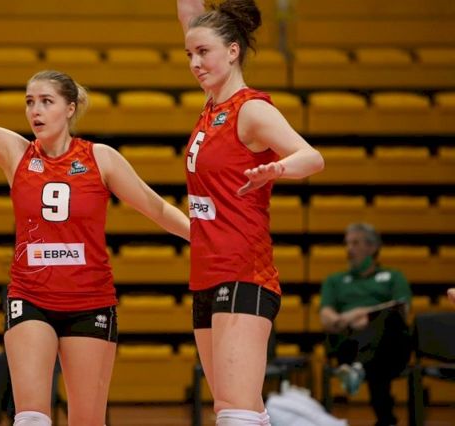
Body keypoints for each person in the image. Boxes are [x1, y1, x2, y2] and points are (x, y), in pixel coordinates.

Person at [0, 1, 191, 425]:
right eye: (29, 101)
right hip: (30, 297)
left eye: (46, 101)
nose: (35, 110)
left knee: (86, 420)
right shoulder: (15, 153)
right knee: (31, 417)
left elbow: (158, 208)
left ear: (70, 108)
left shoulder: (100, 158)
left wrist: (203, 236)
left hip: (90, 301)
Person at [176, 0, 324, 425]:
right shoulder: (212, 106)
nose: (195, 63)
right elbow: (191, 17)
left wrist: (278, 168)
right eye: (189, 54)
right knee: (239, 410)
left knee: (235, 412)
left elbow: (312, 157)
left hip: (244, 272)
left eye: (203, 53)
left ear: (233, 51)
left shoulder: (251, 109)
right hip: (206, 274)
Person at [320, 223, 412, 426]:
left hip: (389, 345)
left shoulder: (393, 277)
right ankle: (385, 419)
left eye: (355, 243)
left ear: (372, 247)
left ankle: (359, 368)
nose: (349, 249)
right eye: (347, 243)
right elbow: (326, 316)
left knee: (387, 323)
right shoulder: (335, 280)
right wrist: (349, 320)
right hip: (349, 342)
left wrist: (364, 315)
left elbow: (402, 310)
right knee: (377, 356)